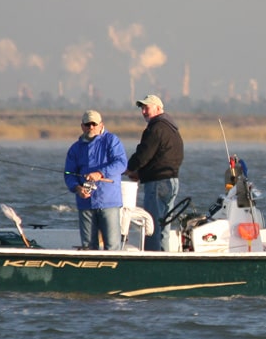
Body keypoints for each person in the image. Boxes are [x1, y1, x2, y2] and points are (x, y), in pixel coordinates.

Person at [126, 94, 184, 251]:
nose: (144, 111)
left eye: (147, 107)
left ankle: (152, 258)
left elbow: (144, 154)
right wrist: (141, 173)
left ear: (159, 108)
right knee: (164, 226)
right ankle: (164, 258)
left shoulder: (156, 128)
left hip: (158, 183)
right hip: (172, 181)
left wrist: (129, 168)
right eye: (142, 108)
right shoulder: (172, 128)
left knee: (151, 226)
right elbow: (162, 157)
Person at [64, 110, 128, 250]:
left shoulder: (111, 140)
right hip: (85, 202)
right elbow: (69, 173)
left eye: (94, 124)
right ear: (82, 126)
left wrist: (100, 173)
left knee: (112, 246)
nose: (91, 127)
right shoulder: (75, 149)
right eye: (87, 124)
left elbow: (121, 164)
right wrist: (76, 188)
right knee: (88, 247)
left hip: (108, 202)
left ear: (101, 125)